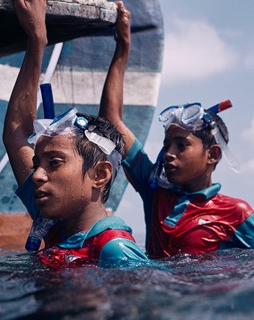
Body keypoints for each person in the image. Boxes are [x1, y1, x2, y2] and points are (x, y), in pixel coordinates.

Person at [99, 2, 254, 258]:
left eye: (182, 145)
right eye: (166, 145)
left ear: (213, 154)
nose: (169, 154)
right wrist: (123, 47)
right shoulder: (154, 190)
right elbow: (111, 123)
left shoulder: (237, 212)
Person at [3, 0, 149, 268]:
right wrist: (37, 39)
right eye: (38, 163)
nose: (36, 175)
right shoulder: (54, 220)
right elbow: (17, 135)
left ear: (100, 174)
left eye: (54, 163)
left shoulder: (115, 250)